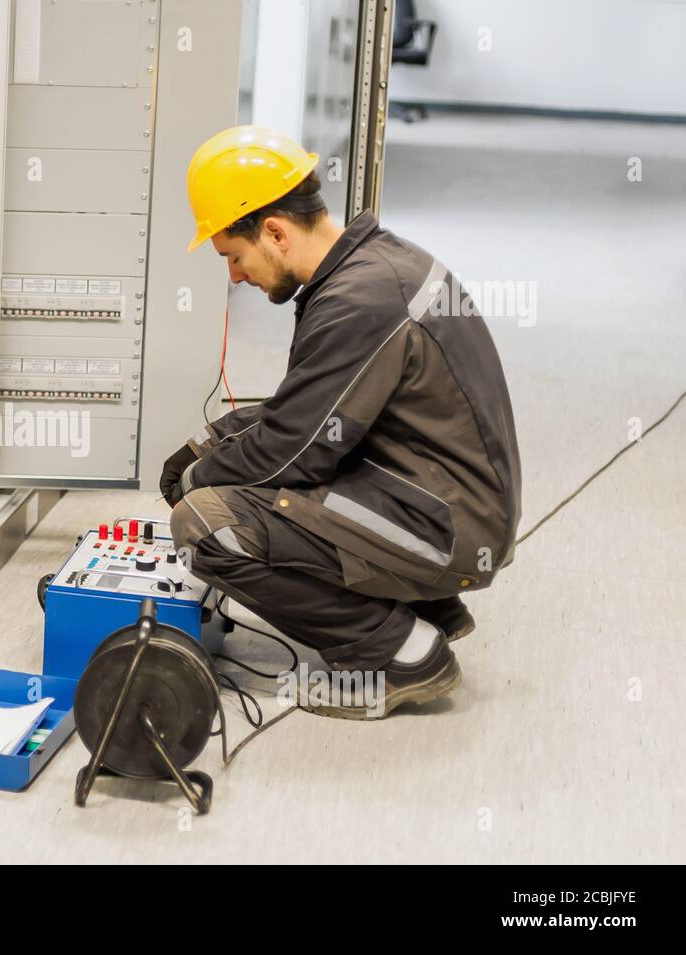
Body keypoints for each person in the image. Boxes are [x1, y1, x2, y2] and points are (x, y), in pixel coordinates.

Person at [162, 126, 521, 719]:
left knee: (207, 523)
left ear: (274, 232)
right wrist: (211, 442)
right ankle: (419, 604)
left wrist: (198, 479)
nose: (234, 276)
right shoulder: (374, 265)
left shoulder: (360, 301)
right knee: (234, 476)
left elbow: (293, 451)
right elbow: (315, 409)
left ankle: (405, 653)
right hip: (435, 493)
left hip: (447, 524)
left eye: (233, 256)